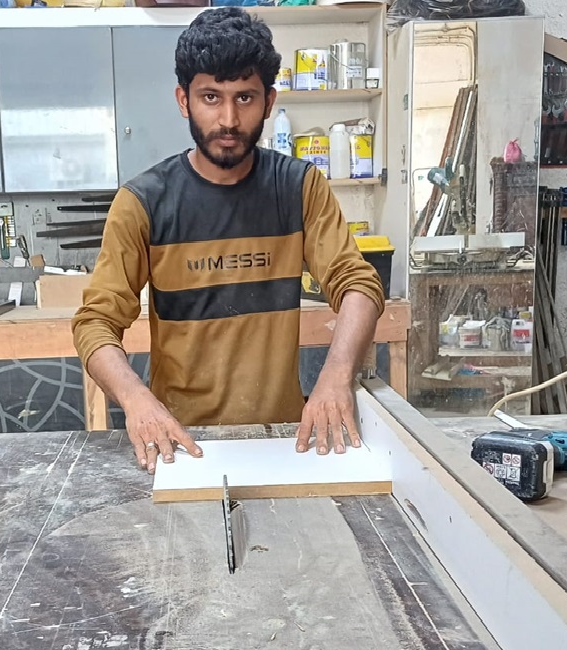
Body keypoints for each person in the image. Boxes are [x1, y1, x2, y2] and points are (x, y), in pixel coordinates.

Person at [71, 7, 384, 474]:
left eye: (245, 97)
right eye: (210, 97)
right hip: (181, 447)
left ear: (269, 101)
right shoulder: (143, 203)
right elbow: (95, 323)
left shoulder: (298, 188)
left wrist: (337, 376)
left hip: (283, 442)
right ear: (184, 100)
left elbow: (357, 283)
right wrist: (137, 400)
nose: (229, 119)